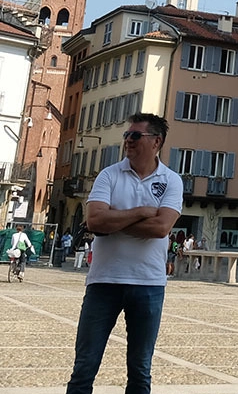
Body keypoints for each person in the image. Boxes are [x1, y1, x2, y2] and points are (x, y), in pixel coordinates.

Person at [66, 113, 183, 394]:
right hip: (104, 281)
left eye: (135, 136)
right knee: (84, 367)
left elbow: (161, 227)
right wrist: (142, 212)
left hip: (149, 283)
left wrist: (115, 219)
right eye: (127, 136)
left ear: (156, 142)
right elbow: (95, 221)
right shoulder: (109, 175)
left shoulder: (172, 181)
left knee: (140, 371)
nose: (128, 141)